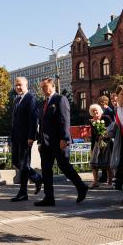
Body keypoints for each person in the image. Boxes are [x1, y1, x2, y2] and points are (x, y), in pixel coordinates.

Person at [35, 78, 88, 206]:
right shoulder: (44, 103)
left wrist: (65, 138)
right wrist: (40, 141)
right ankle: (49, 198)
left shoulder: (60, 99)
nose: (43, 90)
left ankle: (81, 186)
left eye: (45, 87)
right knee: (46, 169)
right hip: (46, 143)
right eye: (42, 88)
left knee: (64, 166)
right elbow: (41, 123)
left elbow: (65, 120)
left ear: (53, 86)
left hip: (59, 141)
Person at [8, 77, 42, 202]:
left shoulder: (30, 98)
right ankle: (37, 178)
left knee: (23, 164)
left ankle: (23, 193)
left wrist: (31, 137)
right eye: (16, 85)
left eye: (20, 85)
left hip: (26, 138)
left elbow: (34, 119)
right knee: (16, 162)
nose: (18, 87)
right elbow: (14, 120)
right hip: (16, 137)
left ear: (26, 85)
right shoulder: (17, 99)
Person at [88, 104, 113, 188]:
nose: (95, 114)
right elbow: (93, 136)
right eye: (93, 112)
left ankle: (110, 183)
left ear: (100, 111)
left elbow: (111, 129)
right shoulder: (93, 121)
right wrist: (92, 148)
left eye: (97, 112)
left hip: (107, 143)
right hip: (97, 144)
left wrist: (104, 135)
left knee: (108, 163)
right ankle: (95, 182)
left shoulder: (106, 118)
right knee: (93, 163)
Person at [97, 95, 114, 183]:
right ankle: (104, 176)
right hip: (102, 136)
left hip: (107, 136)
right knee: (103, 157)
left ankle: (108, 177)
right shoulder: (103, 111)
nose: (100, 105)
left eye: (101, 103)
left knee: (107, 157)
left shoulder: (109, 111)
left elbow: (111, 124)